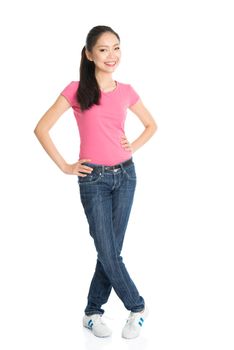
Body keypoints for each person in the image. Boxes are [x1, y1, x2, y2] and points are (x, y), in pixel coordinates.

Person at [34, 25, 157, 339]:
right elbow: (41, 128)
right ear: (89, 54)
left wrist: (134, 145)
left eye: (116, 47)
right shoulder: (77, 89)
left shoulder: (127, 90)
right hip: (94, 179)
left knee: (110, 251)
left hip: (126, 175)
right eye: (103, 49)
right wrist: (65, 166)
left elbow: (151, 125)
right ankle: (137, 306)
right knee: (108, 249)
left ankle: (92, 313)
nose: (111, 55)